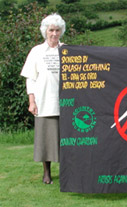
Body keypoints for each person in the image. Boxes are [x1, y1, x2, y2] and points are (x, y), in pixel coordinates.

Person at [21, 13, 66, 184]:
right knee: (45, 139)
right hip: (44, 100)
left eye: (57, 30)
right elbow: (30, 78)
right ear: (45, 32)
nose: (54, 34)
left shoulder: (66, 50)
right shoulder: (37, 51)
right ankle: (46, 173)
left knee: (66, 139)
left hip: (65, 102)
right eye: (51, 30)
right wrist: (31, 101)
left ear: (61, 31)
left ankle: (66, 172)